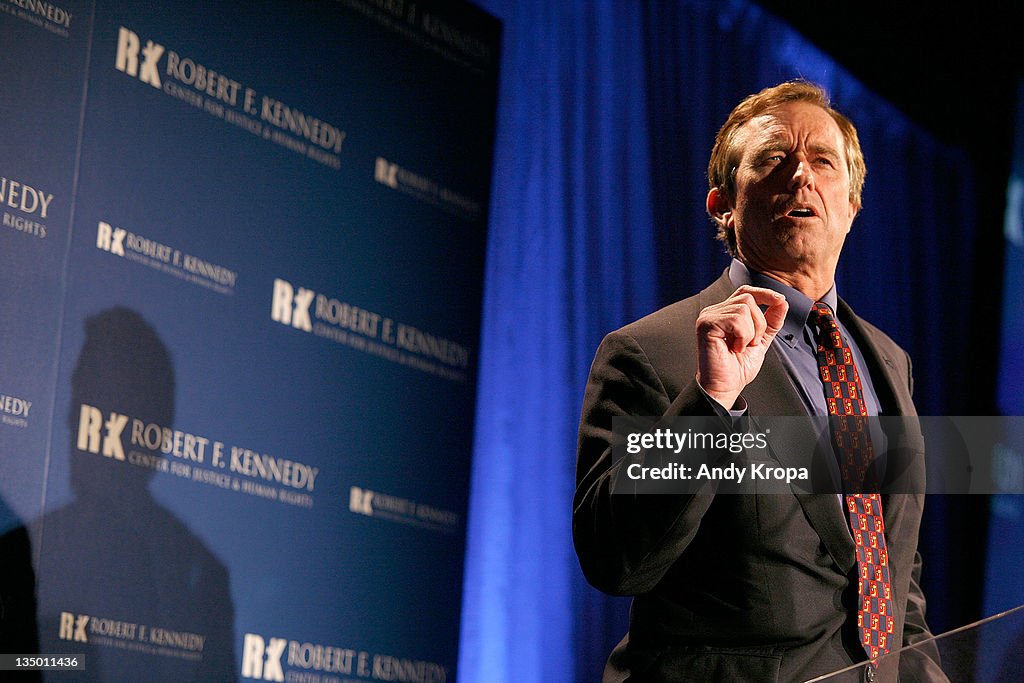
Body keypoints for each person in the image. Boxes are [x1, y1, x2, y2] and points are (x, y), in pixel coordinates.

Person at [573, 81, 947, 682]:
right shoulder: (652, 352)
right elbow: (616, 561)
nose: (802, 175)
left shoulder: (886, 360)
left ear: (852, 205)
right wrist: (712, 403)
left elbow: (892, 571)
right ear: (722, 202)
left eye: (824, 161)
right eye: (774, 158)